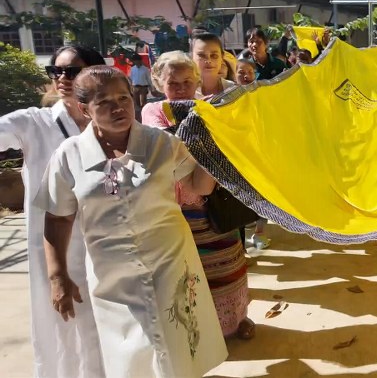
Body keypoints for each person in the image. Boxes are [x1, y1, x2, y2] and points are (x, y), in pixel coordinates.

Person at [35, 65, 228, 377]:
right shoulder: (69, 156)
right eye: (104, 102)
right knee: (130, 356)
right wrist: (58, 277)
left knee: (177, 345)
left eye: (123, 98)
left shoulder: (161, 144)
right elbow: (58, 217)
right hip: (112, 276)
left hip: (170, 264)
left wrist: (215, 153)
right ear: (84, 109)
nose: (118, 108)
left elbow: (198, 186)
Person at [0, 46, 106, 378]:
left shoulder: (110, 123)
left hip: (102, 241)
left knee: (103, 324)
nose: (62, 78)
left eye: (72, 71)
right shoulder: (34, 122)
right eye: (56, 71)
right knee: (59, 328)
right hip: (52, 245)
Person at [143, 51, 257, 341]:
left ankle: (237, 319)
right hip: (175, 206)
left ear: (196, 81)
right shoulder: (152, 111)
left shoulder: (211, 105)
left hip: (214, 200)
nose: (181, 88)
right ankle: (202, 331)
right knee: (188, 272)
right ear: (158, 83)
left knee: (228, 263)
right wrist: (207, 135)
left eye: (186, 81)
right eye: (173, 83)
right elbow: (167, 144)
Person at [191, 31, 236, 98]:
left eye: (214, 55)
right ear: (192, 57)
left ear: (222, 57)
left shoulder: (233, 90)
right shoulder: (185, 93)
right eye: (202, 55)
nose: (208, 60)